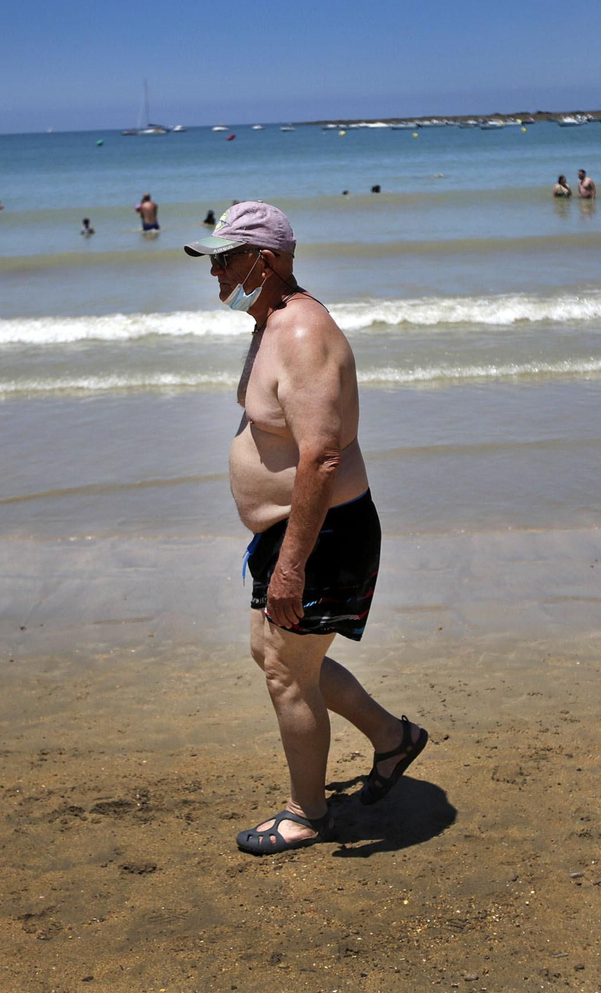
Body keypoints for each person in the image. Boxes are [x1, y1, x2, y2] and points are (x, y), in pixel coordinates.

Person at [182, 201, 428, 855]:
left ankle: (307, 813)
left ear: (267, 262)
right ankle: (392, 738)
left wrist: (292, 565)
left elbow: (321, 455)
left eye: (226, 260)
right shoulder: (269, 322)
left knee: (288, 673)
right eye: (212, 261)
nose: (215, 274)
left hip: (320, 534)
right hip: (294, 531)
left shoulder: (300, 334)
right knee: (276, 656)